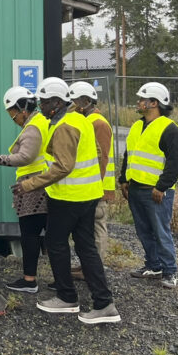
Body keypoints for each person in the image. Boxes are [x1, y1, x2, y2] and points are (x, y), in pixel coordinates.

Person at [17, 77, 119, 324]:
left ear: (56, 102)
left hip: (68, 197)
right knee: (86, 247)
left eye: (44, 101)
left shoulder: (64, 125)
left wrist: (29, 185)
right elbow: (94, 153)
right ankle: (104, 303)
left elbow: (62, 167)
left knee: (56, 243)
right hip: (87, 196)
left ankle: (66, 297)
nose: (40, 106)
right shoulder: (78, 120)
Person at [0, 86, 50, 293]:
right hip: (44, 186)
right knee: (50, 235)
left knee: (30, 234)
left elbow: (26, 157)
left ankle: (29, 280)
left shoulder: (34, 127)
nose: (13, 118)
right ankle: (57, 280)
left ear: (23, 108)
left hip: (34, 187)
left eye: (12, 113)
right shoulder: (42, 122)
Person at [119, 82, 178, 289]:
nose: (138, 103)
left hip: (156, 192)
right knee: (143, 230)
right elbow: (129, 155)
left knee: (161, 231)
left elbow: (174, 164)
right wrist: (124, 180)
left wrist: (161, 187)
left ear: (154, 103)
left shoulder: (170, 130)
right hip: (136, 187)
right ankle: (154, 266)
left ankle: (170, 271)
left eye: (142, 99)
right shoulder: (137, 126)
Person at [68, 81, 116, 268]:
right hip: (89, 187)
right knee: (86, 231)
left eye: (74, 101)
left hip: (98, 189)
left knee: (97, 229)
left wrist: (95, 187)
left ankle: (95, 268)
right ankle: (87, 267)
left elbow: (102, 158)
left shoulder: (98, 123)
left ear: (85, 101)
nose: (71, 105)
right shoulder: (87, 121)